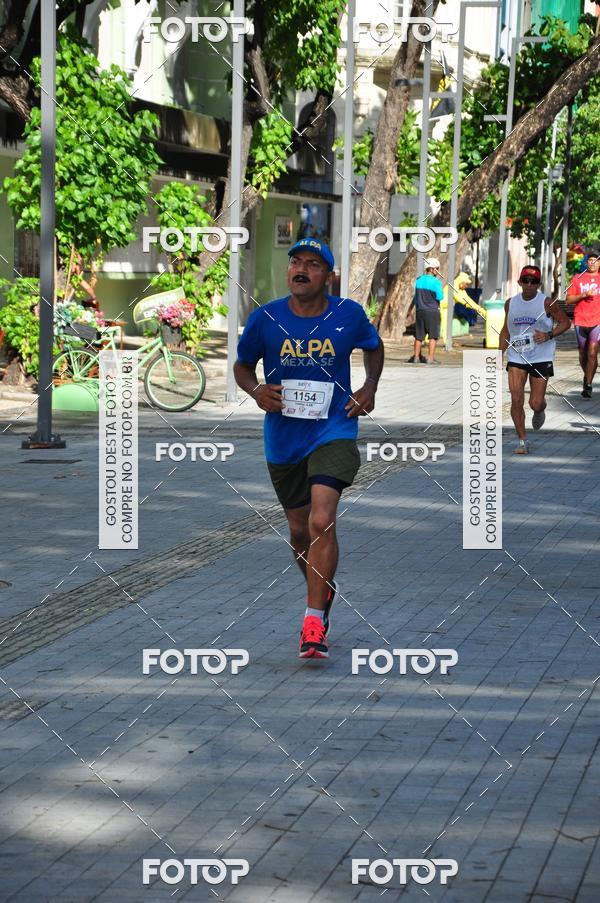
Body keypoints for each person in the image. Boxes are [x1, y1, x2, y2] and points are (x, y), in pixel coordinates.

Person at [234, 238, 384, 659]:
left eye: (313, 264)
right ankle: (323, 587)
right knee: (299, 531)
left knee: (322, 520)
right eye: (296, 262)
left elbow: (374, 348)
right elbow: (242, 365)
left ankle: (313, 620)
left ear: (328, 276)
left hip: (333, 429)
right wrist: (256, 390)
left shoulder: (348, 315)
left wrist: (369, 386)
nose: (301, 269)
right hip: (283, 438)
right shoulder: (265, 318)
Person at [500, 264, 570, 455]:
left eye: (534, 282)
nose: (530, 285)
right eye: (526, 281)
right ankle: (522, 441)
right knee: (516, 398)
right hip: (517, 355)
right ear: (520, 282)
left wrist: (549, 334)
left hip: (541, 355)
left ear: (538, 284)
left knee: (535, 402)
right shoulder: (510, 303)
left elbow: (565, 322)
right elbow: (506, 329)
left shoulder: (547, 303)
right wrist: (498, 353)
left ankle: (540, 409)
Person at [566, 249, 600, 398]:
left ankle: (588, 384)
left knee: (592, 353)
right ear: (587, 263)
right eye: (590, 260)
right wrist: (584, 294)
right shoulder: (577, 278)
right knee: (582, 354)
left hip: (597, 321)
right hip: (580, 320)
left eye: (596, 260)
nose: (593, 263)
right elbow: (568, 300)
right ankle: (588, 374)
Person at [408, 257, 443, 364]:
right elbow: (440, 297)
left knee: (419, 336)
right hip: (432, 312)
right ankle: (430, 358)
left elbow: (415, 297)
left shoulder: (418, 280)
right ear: (432, 269)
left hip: (420, 311)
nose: (438, 271)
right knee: (433, 336)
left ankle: (416, 357)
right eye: (437, 268)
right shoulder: (436, 282)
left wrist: (411, 309)